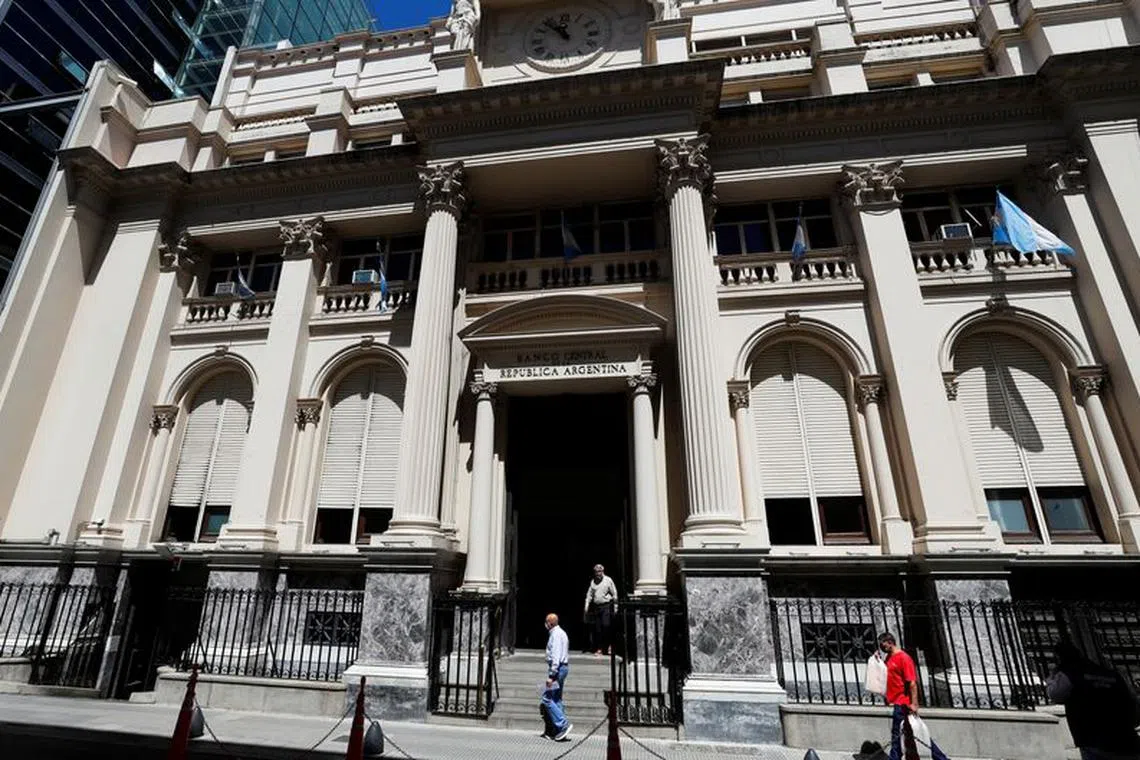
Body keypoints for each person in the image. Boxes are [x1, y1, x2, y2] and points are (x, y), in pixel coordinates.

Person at [1047, 640, 1140, 760]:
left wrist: (1053, 676)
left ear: (1059, 658)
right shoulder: (1111, 674)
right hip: (1126, 738)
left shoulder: (1069, 674)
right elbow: (1134, 705)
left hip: (1093, 740)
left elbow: (1055, 694)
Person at [878, 632, 921, 760]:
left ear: (890, 643)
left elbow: (912, 683)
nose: (882, 648)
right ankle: (940, 757)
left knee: (897, 734)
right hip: (896, 701)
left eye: (883, 646)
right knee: (912, 733)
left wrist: (914, 703)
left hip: (903, 702)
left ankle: (894, 758)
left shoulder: (904, 658)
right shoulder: (889, 657)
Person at [540, 613, 573, 741]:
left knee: (547, 699)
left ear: (550, 623)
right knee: (556, 699)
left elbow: (556, 655)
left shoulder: (556, 635)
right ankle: (558, 729)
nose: (545, 624)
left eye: (546, 622)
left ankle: (563, 724)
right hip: (562, 668)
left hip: (558, 670)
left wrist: (551, 675)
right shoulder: (561, 633)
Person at [584, 564, 618, 656]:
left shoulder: (608, 580)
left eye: (600, 571)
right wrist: (586, 606)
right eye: (596, 572)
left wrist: (615, 606)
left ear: (603, 571)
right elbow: (589, 595)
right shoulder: (593, 581)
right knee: (598, 628)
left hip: (606, 606)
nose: (598, 573)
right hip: (597, 607)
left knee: (606, 626)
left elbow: (614, 593)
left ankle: (609, 647)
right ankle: (599, 648)